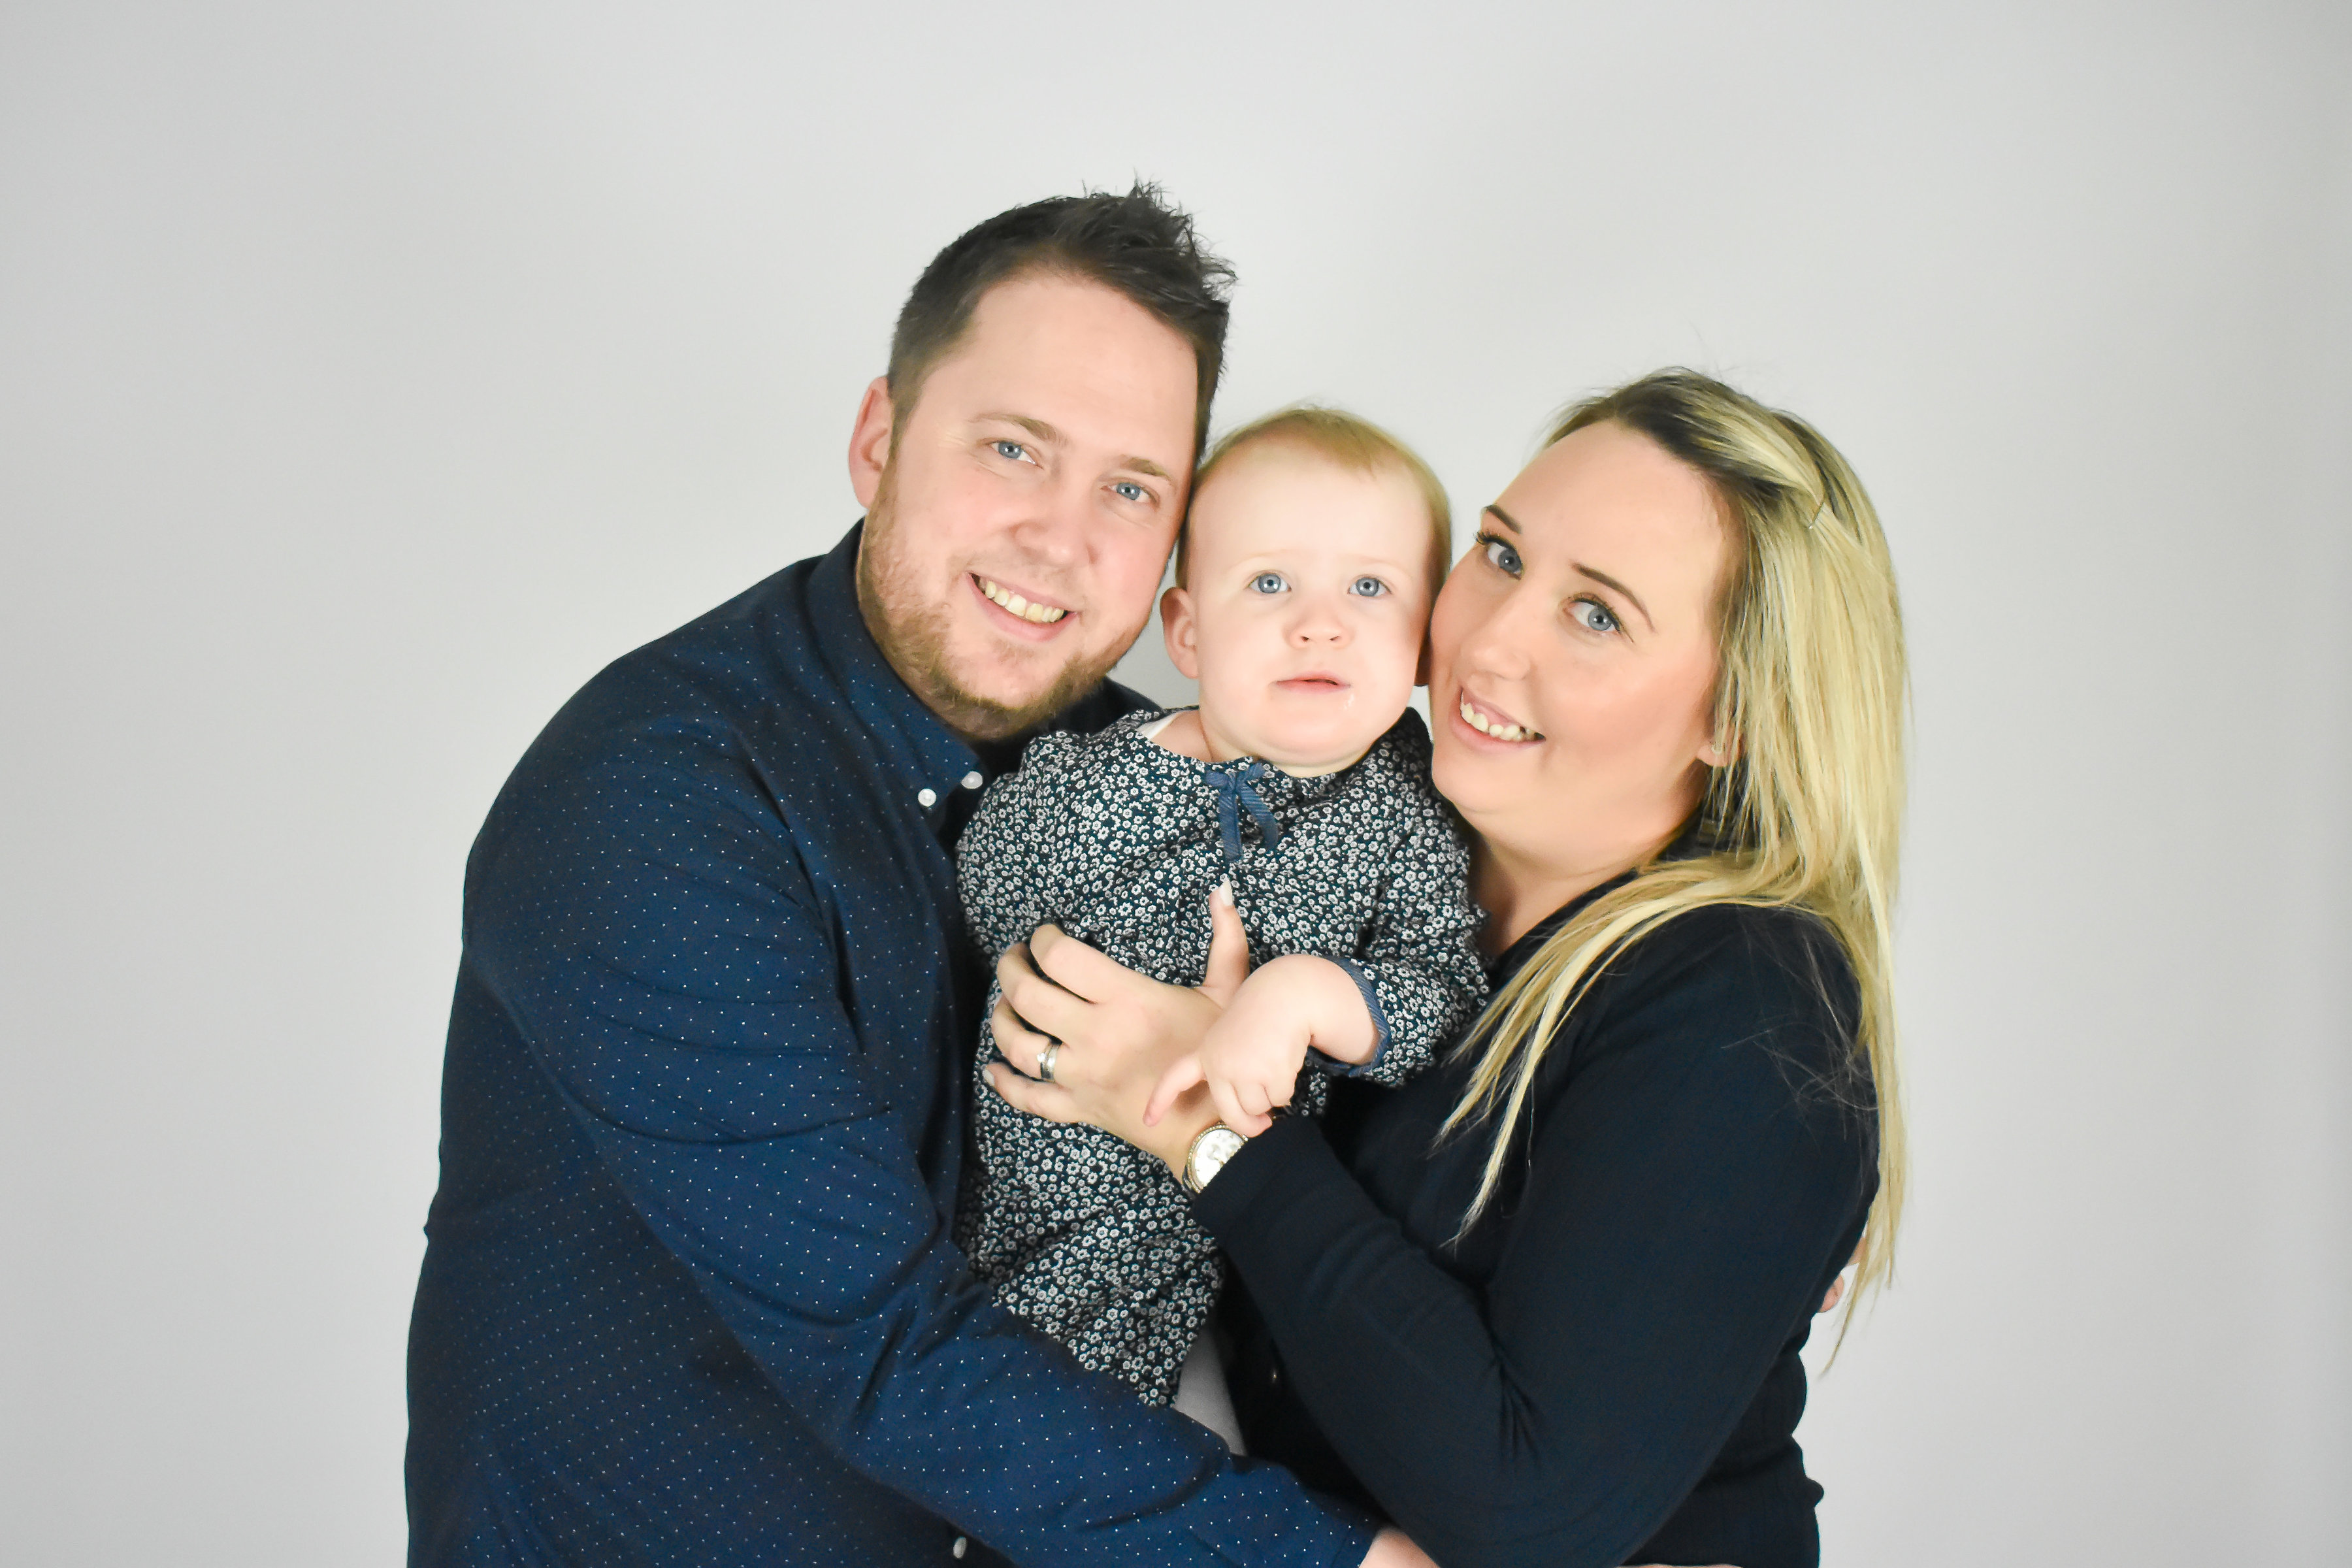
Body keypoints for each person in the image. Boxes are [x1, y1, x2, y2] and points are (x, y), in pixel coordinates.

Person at [406, 187, 1428, 1567]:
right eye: (1014, 449)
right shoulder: (656, 800)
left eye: (1132, 488)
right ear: (879, 439)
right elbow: (889, 1349)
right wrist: (1342, 1563)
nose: (1062, 540)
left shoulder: (1153, 771)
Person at [989, 368, 1905, 1568]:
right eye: (1503, 555)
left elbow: (1525, 1512)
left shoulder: (1747, 1019)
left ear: (1735, 712)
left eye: (1598, 615)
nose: (1491, 639)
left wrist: (1203, 1125)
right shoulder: (1380, 826)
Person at [954, 408, 1488, 1411]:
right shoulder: (1095, 768)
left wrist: (1305, 994)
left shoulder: (1408, 809)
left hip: (1233, 1247)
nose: (1320, 624)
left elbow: (1444, 989)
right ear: (1189, 632)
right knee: (1013, 1416)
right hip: (1042, 1215)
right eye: (1271, 583)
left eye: (1370, 588)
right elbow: (988, 890)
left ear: (1425, 643)